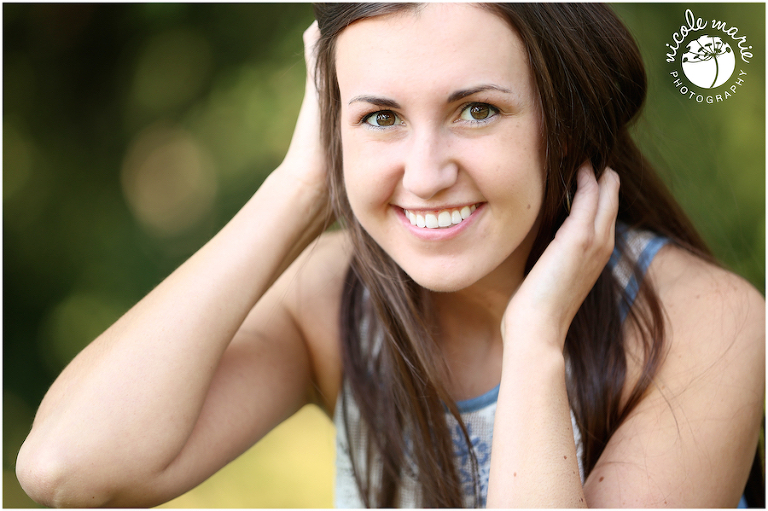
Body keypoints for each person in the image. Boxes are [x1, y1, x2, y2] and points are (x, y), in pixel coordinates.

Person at [16, 3, 764, 508]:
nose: (426, 171)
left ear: (564, 126)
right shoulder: (336, 298)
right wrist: (302, 184)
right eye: (380, 117)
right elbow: (66, 466)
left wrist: (534, 344)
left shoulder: (709, 327)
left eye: (478, 111)